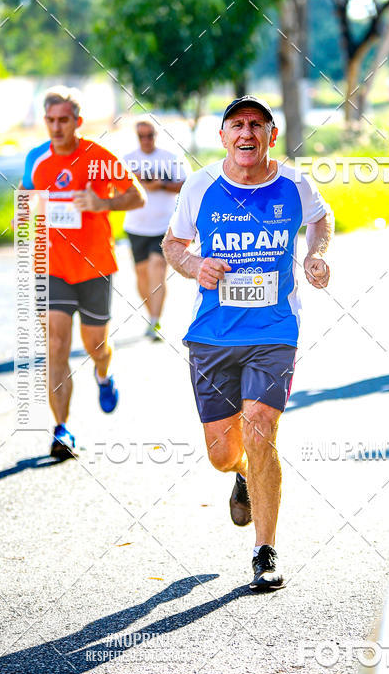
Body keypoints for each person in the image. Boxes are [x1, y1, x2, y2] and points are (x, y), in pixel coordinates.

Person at [163, 95, 333, 591]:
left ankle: (265, 551)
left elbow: (322, 220)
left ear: (271, 136)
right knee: (222, 453)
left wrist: (315, 255)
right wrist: (197, 266)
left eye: (256, 125)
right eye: (236, 125)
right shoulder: (200, 186)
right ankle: (241, 475)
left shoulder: (294, 184)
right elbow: (173, 246)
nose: (246, 133)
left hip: (275, 331)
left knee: (260, 426)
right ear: (222, 137)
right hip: (213, 335)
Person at [20, 86, 145, 460]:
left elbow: (136, 195)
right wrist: (24, 220)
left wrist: (101, 202)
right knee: (56, 346)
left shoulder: (97, 156)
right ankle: (61, 430)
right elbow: (26, 202)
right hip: (51, 266)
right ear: (45, 121)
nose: (57, 128)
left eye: (64, 120)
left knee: (96, 347)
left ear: (78, 121)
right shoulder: (37, 159)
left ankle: (103, 375)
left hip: (94, 267)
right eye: (51, 120)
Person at [123, 119, 190, 340]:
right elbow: (115, 190)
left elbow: (185, 185)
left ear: (156, 135)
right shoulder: (128, 161)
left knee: (157, 268)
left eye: (149, 135)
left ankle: (155, 321)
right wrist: (139, 184)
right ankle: (150, 313)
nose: (146, 140)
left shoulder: (170, 158)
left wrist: (160, 184)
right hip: (136, 227)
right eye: (141, 136)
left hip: (163, 226)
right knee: (142, 275)